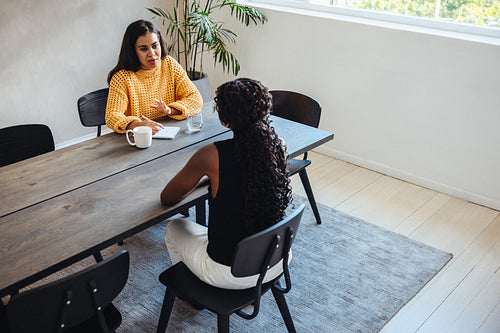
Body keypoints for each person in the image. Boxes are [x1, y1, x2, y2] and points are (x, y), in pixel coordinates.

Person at [160, 78, 292, 289]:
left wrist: (206, 178)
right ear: (265, 109)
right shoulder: (279, 145)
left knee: (175, 227)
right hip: (277, 258)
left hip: (230, 272)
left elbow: (167, 198)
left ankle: (193, 292)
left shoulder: (211, 155)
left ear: (224, 120)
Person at [106, 20, 202, 134]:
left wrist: (170, 110)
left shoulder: (169, 64)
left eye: (155, 46)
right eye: (143, 49)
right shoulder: (122, 77)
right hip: (139, 139)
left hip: (171, 133)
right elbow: (112, 116)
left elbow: (195, 98)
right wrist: (138, 125)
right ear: (133, 51)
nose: (152, 53)